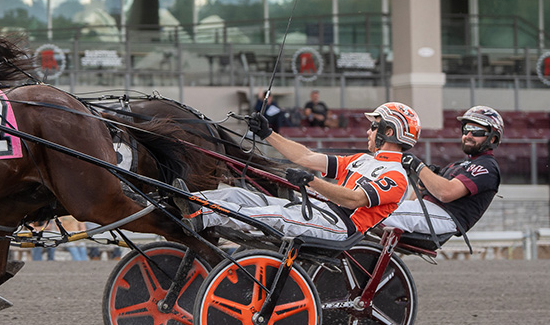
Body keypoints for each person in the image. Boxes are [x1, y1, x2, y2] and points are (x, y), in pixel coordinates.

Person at [175, 102, 420, 242]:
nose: (368, 132)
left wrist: (312, 182)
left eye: (373, 127)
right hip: (316, 211)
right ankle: (184, 202)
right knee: (239, 196)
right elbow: (305, 157)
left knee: (273, 215)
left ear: (389, 132)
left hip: (340, 226)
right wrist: (267, 134)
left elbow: (354, 199)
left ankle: (202, 214)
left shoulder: (396, 177)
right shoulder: (361, 160)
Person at [382, 106, 503, 236]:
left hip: (446, 217)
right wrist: (422, 184)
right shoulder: (458, 165)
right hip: (427, 211)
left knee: (374, 213)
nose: (468, 135)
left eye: (476, 131)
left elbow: (446, 193)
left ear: (492, 138)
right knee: (371, 207)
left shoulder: (487, 166)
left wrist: (418, 166)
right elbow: (415, 201)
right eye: (466, 129)